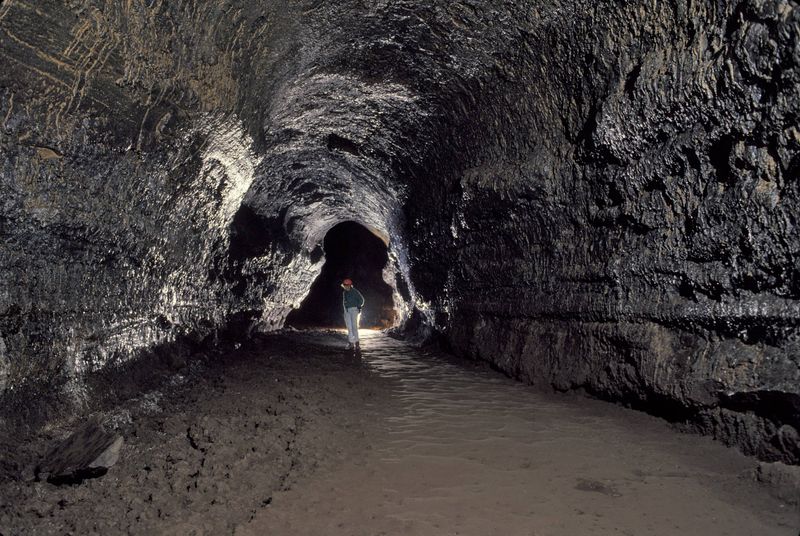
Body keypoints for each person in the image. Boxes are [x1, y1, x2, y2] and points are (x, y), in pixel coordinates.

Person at [341, 278, 365, 350]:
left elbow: (362, 300)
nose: (346, 286)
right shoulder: (344, 292)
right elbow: (344, 302)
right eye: (345, 285)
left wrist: (358, 306)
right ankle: (351, 343)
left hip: (354, 310)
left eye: (347, 285)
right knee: (349, 327)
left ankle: (357, 343)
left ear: (350, 285)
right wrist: (345, 311)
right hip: (347, 310)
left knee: (354, 327)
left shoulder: (355, 291)